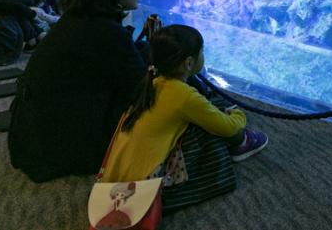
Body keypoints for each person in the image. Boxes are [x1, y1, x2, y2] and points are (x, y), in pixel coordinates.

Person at [8, 0, 157, 182]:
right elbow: (140, 87)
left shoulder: (79, 19)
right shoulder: (105, 30)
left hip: (33, 136)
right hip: (60, 147)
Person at [100, 25, 268, 210]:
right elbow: (227, 127)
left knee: (204, 110)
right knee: (210, 120)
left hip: (112, 182)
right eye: (202, 51)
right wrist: (238, 114)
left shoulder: (152, 84)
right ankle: (242, 141)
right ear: (188, 63)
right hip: (142, 189)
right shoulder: (183, 95)